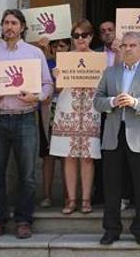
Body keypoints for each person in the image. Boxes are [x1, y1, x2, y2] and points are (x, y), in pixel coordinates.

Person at [0, 9, 53, 240]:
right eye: (6, 23)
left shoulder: (35, 53)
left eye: (14, 23)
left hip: (26, 118)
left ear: (22, 27)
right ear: (1, 26)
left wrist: (37, 97)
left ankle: (23, 220)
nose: (9, 27)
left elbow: (48, 84)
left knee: (28, 175)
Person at [93, 32, 140, 246]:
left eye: (133, 45)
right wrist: (113, 101)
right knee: (111, 186)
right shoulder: (110, 72)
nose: (128, 49)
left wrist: (135, 102)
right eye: (124, 45)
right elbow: (97, 102)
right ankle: (111, 229)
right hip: (113, 135)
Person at [50, 20, 101, 215]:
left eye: (85, 35)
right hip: (67, 109)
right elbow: (58, 89)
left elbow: (104, 86)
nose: (81, 39)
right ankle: (71, 199)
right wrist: (58, 77)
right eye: (77, 35)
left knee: (88, 156)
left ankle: (86, 199)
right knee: (68, 156)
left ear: (91, 36)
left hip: (90, 110)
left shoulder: (99, 59)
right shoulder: (65, 58)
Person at [37, 37, 70, 208]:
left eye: (62, 45)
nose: (58, 49)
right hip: (46, 113)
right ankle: (47, 196)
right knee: (48, 156)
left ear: (69, 47)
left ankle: (67, 196)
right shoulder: (46, 63)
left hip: (68, 112)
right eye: (55, 45)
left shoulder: (74, 63)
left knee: (66, 156)